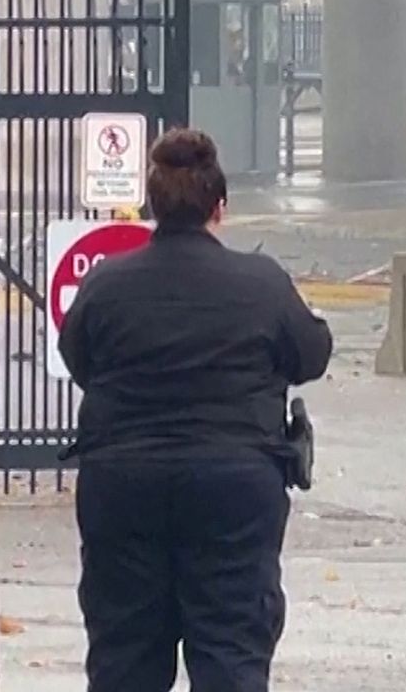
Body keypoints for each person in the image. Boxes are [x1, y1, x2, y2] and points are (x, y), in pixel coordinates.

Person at [58, 128, 333, 692]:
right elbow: (311, 355)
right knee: (231, 650)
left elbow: (78, 360)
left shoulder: (106, 285)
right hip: (233, 486)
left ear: (153, 207)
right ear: (220, 207)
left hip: (124, 485)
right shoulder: (262, 284)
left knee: (124, 654)